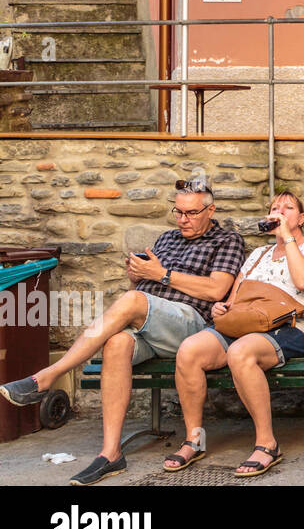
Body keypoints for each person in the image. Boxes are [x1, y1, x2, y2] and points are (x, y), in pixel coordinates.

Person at [0, 177, 244, 485]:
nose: (183, 219)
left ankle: (49, 375)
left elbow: (217, 289)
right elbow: (140, 290)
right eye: (178, 212)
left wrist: (162, 275)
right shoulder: (167, 239)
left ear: (211, 210)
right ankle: (110, 453)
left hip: (191, 324)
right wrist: (136, 277)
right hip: (149, 322)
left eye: (192, 213)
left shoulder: (227, 240)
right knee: (115, 343)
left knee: (132, 301)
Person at [166, 190, 304, 477]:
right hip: (249, 325)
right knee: (190, 350)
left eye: (288, 208)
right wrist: (223, 308)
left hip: (297, 328)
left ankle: (267, 444)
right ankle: (194, 439)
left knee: (240, 351)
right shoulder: (258, 254)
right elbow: (236, 299)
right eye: (274, 207)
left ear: (302, 218)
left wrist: (287, 237)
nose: (279, 211)